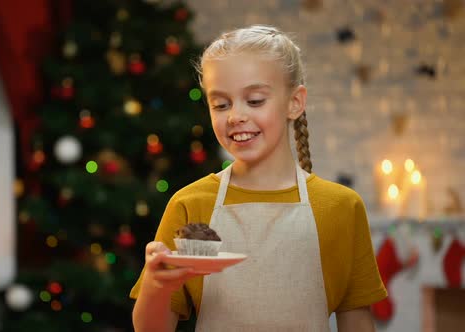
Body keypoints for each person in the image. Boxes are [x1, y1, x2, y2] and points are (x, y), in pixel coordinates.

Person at [130, 24, 387, 331]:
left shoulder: (340, 207)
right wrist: (157, 286)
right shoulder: (190, 204)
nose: (235, 116)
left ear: (295, 102)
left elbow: (357, 321)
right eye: (221, 104)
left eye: (254, 101)